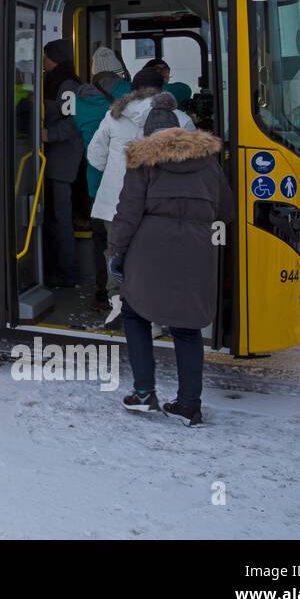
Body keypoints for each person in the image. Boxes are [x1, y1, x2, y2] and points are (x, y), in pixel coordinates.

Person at [105, 95, 233, 427]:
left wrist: (115, 252)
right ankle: (189, 405)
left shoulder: (143, 159)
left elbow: (128, 213)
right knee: (188, 327)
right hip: (197, 247)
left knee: (135, 313)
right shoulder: (208, 161)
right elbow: (226, 210)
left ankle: (144, 394)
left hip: (150, 247)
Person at [87, 68, 195, 254]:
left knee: (116, 255)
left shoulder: (112, 116)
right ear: (162, 89)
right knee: (154, 259)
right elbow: (191, 164)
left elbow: (95, 156)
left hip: (114, 204)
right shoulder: (180, 120)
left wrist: (116, 171)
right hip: (159, 205)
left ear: (133, 88)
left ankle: (116, 284)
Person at [73, 46, 127, 312]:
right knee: (125, 241)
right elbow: (179, 92)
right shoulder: (128, 94)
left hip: (95, 184)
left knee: (100, 241)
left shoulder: (80, 101)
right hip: (124, 185)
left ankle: (101, 295)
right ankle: (126, 296)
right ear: (119, 71)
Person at [40, 39, 83, 287]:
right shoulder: (55, 81)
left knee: (60, 218)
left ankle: (67, 272)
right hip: (53, 160)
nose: (44, 63)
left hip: (61, 162)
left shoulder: (67, 84)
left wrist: (47, 134)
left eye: (46, 57)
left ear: (55, 58)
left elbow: (71, 121)